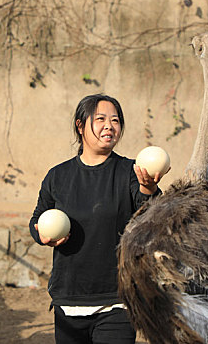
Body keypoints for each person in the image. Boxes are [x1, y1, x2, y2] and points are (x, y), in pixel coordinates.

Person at [29, 94, 169, 344]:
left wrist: (148, 189)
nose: (110, 126)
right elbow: (38, 218)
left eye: (115, 120)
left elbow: (152, 220)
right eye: (101, 119)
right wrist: (42, 235)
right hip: (69, 300)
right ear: (80, 126)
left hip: (117, 301)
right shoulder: (58, 176)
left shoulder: (131, 171)